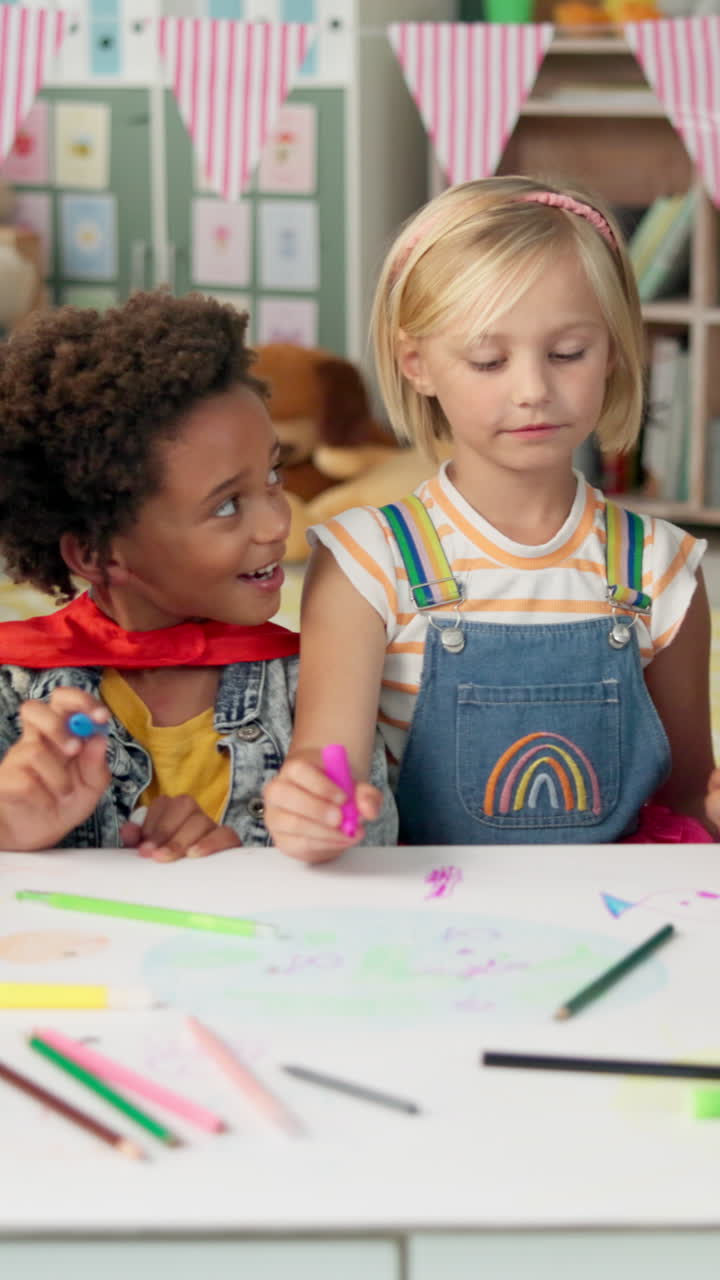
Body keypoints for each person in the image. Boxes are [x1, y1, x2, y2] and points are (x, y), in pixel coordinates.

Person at [264, 174, 717, 860]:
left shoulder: (665, 568)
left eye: (568, 353)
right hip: (426, 922)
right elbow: (329, 772)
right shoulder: (364, 560)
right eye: (488, 359)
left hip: (609, 917)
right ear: (416, 363)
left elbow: (686, 802)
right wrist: (311, 811)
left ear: (616, 349)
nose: (533, 390)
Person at [0, 290, 396, 858]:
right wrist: (10, 832)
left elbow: (376, 844)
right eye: (228, 505)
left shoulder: (312, 689)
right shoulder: (18, 696)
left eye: (274, 475)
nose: (275, 523)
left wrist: (325, 832)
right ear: (97, 555)